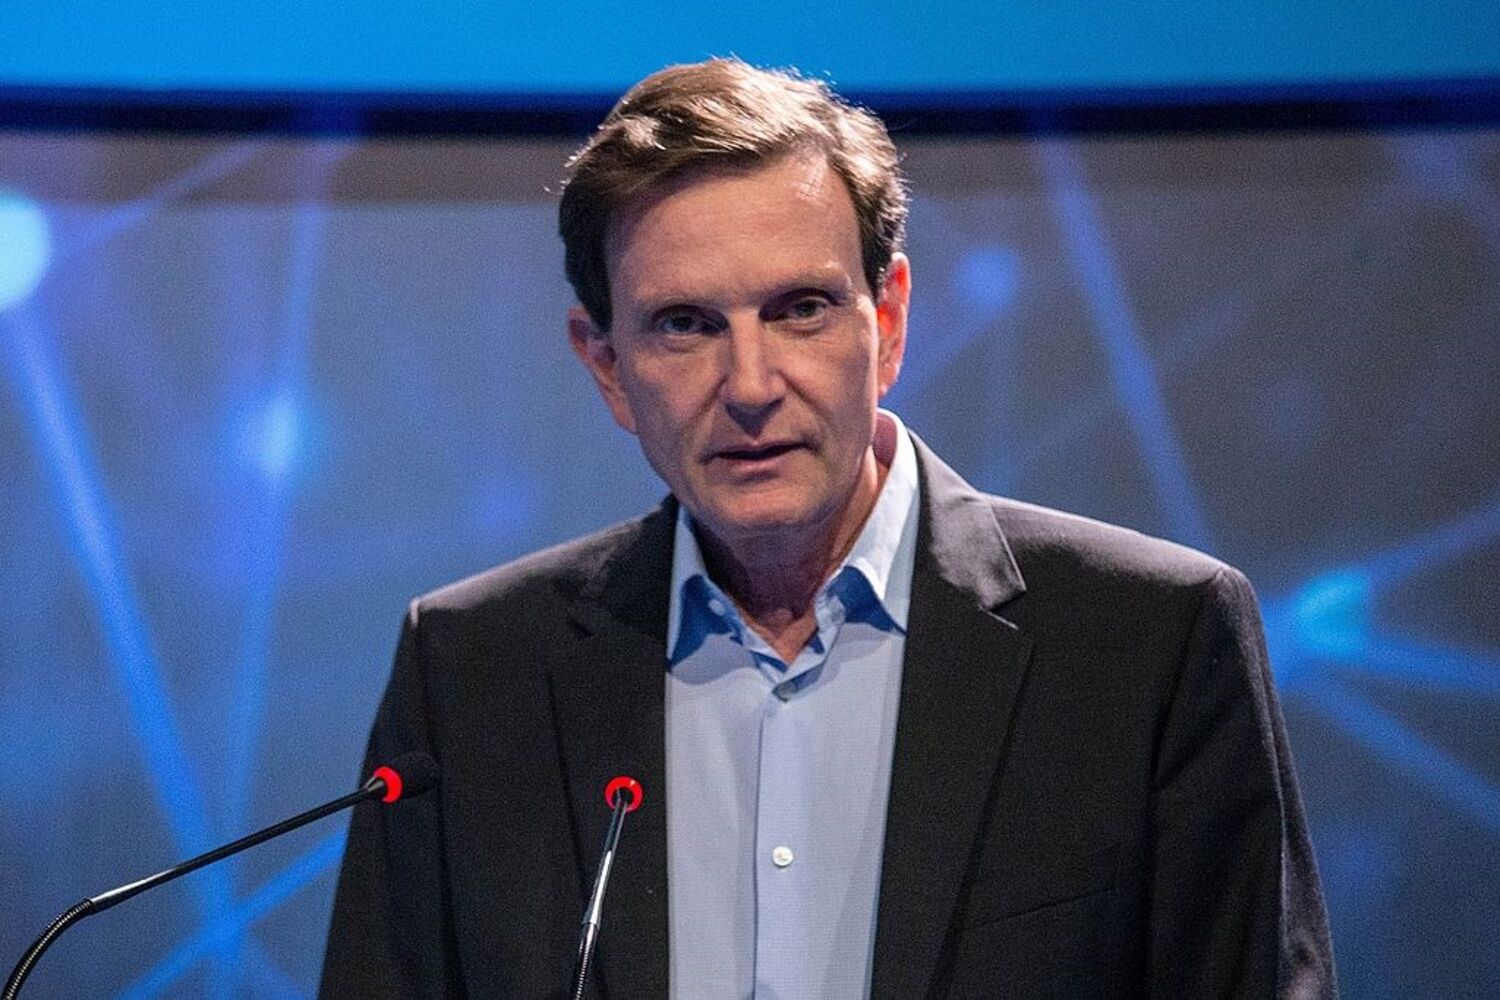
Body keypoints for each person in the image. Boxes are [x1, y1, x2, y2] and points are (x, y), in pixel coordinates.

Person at [320, 58, 1335, 998]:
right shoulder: (471, 673)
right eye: (685, 325)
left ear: (887, 321)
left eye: (800, 309)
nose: (751, 384)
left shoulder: (1150, 644)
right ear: (607, 365)